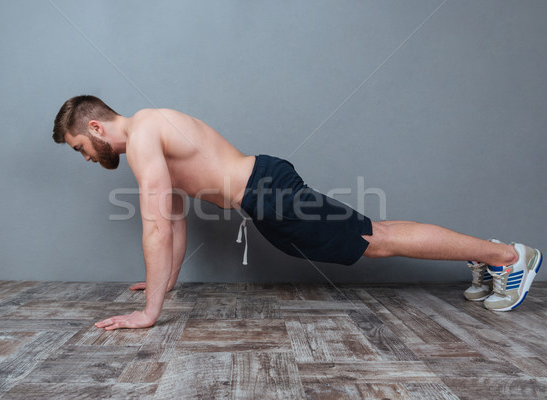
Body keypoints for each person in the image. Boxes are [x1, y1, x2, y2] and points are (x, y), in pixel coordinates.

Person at [52, 95, 542, 330]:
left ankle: (507, 256)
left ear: (95, 126)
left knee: (378, 239)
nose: (87, 157)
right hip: (264, 200)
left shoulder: (142, 137)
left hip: (270, 191)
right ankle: (490, 258)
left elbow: (156, 225)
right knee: (376, 238)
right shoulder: (150, 133)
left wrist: (149, 312)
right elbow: (174, 220)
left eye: (80, 148)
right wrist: (168, 282)